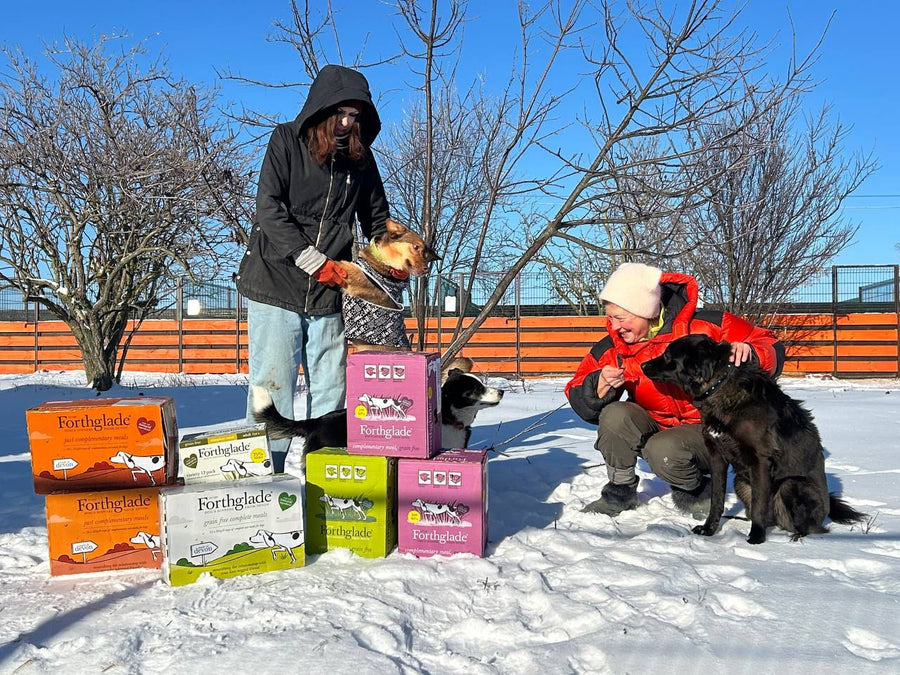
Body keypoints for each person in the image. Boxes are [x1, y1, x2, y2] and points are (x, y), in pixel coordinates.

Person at [235, 65, 391, 472]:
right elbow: (268, 208)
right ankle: (266, 476)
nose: (347, 123)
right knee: (273, 386)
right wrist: (308, 258)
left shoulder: (361, 159)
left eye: (355, 115)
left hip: (329, 290)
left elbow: (376, 219)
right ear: (321, 108)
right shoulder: (286, 141)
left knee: (332, 388)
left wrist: (391, 258)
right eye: (340, 112)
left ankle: (326, 473)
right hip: (275, 281)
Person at [565, 262, 785, 518]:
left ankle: (697, 490)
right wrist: (598, 385)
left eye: (620, 318)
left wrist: (752, 353)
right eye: (610, 317)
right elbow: (576, 391)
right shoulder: (613, 347)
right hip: (658, 427)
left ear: (645, 311)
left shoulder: (708, 326)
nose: (614, 326)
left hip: (711, 431)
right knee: (615, 415)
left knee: (664, 449)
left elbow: (770, 343)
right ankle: (619, 492)